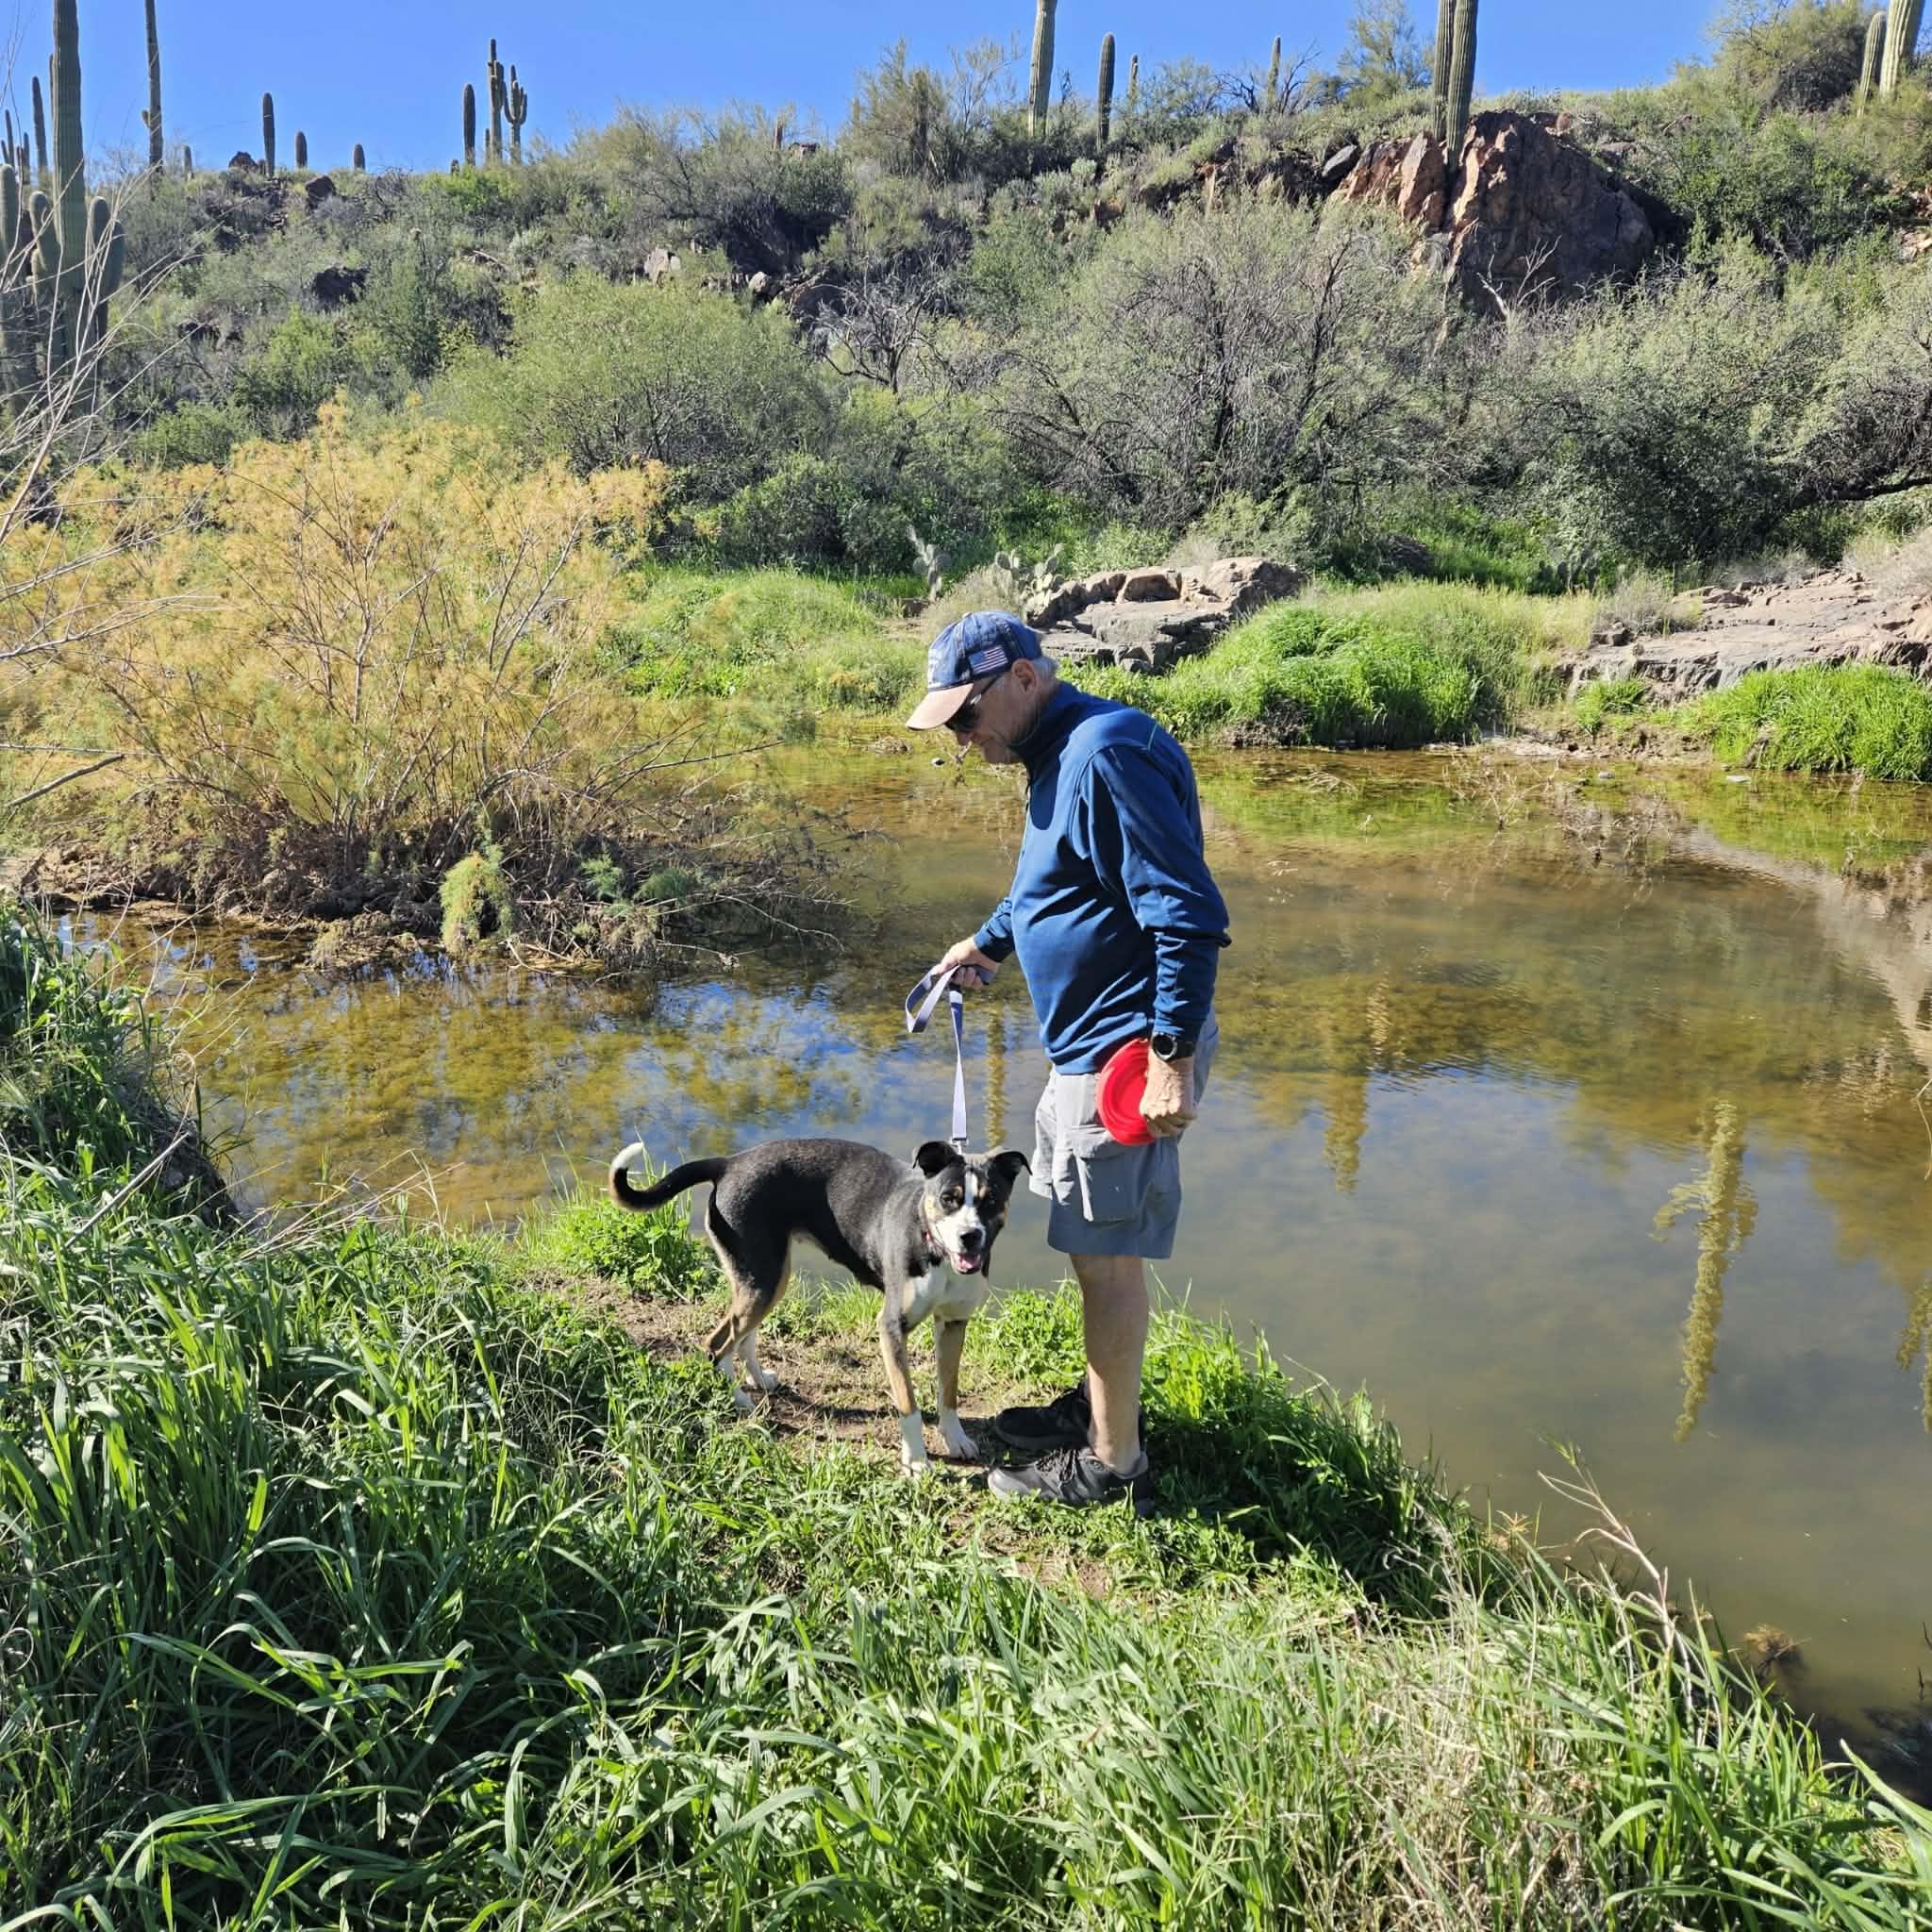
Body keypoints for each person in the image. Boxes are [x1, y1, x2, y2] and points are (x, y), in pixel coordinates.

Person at [907, 608, 1229, 1509]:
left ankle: (1113, 1464)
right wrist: (990, 943)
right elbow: (1050, 885)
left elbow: (1186, 913)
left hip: (1124, 1055)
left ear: (1019, 677)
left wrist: (1168, 1053)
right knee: (1090, 1245)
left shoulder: (1103, 754)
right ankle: (1099, 1411)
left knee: (1107, 1259)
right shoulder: (1057, 757)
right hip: (1087, 1046)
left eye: (965, 718)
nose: (963, 742)